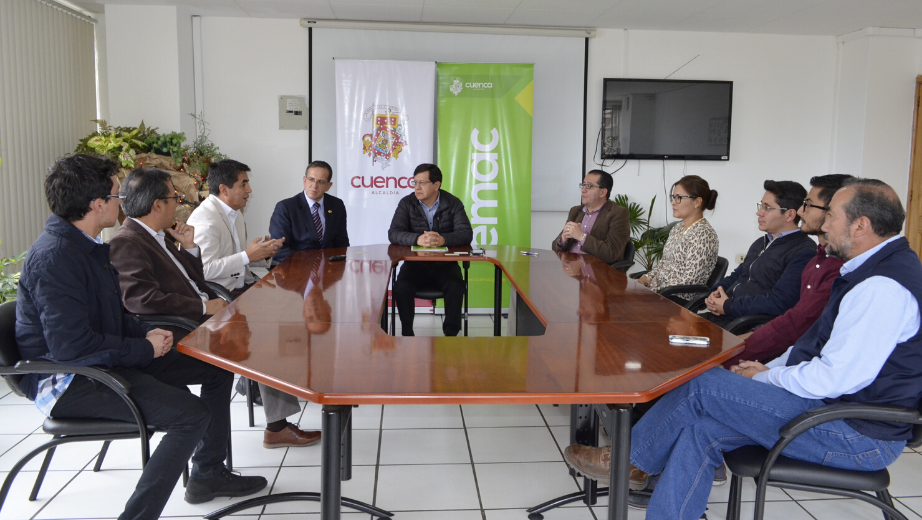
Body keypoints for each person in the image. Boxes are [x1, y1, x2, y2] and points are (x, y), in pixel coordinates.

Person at [563, 178, 922, 520]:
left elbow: (834, 377)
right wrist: (768, 372)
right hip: (834, 411)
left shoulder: (881, 287)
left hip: (855, 435)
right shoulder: (867, 271)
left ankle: (628, 461)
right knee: (700, 428)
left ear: (860, 226)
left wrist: (767, 379)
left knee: (701, 384)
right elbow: (812, 346)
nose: (823, 224)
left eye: (830, 216)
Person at [14, 155, 266, 519]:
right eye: (117, 197)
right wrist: (141, 347)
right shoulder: (56, 258)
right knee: (189, 415)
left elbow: (115, 316)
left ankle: (208, 474)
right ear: (97, 205)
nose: (123, 207)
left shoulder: (84, 246)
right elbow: (71, 348)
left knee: (216, 366)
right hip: (71, 380)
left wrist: (148, 334)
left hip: (98, 360)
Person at [186, 159, 321, 449]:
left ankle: (258, 386)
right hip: (219, 299)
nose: (249, 190)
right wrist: (249, 256)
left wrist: (261, 257)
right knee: (272, 336)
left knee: (293, 308)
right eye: (243, 184)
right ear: (224, 189)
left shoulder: (232, 213)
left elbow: (239, 265)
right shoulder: (205, 219)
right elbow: (204, 271)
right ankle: (276, 426)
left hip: (239, 287)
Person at [723, 174, 852, 367]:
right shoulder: (816, 259)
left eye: (808, 204)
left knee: (694, 383)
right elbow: (795, 328)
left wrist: (732, 354)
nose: (801, 211)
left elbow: (792, 324)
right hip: (778, 356)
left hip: (788, 361)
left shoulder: (830, 264)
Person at [108, 168, 227, 336]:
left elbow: (194, 283)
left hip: (209, 315)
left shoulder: (156, 234)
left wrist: (188, 247)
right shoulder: (125, 242)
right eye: (175, 198)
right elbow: (143, 299)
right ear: (157, 205)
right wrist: (203, 307)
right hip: (188, 327)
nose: (177, 204)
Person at [703, 180, 816, 328]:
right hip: (724, 316)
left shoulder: (803, 251)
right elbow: (738, 274)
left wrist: (728, 306)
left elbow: (779, 302)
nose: (759, 212)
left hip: (743, 325)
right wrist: (714, 293)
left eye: (767, 208)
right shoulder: (760, 242)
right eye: (761, 206)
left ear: (789, 215)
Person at [388, 163, 473, 337]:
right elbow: (394, 233)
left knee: (456, 286)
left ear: (436, 185)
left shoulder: (453, 203)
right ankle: (407, 333)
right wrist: (417, 239)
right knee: (402, 286)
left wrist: (443, 239)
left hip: (445, 265)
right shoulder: (407, 203)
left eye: (422, 183)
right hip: (415, 265)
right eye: (414, 182)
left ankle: (450, 335)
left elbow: (466, 234)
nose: (417, 187)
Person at [637, 175, 719, 300]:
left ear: (697, 202)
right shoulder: (678, 227)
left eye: (679, 198)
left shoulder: (704, 234)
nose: (673, 202)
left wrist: (653, 289)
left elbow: (689, 282)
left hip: (676, 299)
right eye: (673, 197)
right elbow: (663, 264)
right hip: (660, 291)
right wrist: (646, 278)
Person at [269, 160, 349, 264]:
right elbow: (279, 249)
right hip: (297, 271)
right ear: (304, 180)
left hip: (330, 270)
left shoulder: (336, 205)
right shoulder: (286, 208)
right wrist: (309, 264)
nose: (314, 186)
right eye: (311, 179)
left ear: (328, 186)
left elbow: (342, 243)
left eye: (320, 182)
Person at [551, 169, 630, 265]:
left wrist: (581, 236)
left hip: (597, 272)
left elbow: (611, 253)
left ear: (603, 192)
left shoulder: (618, 213)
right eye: (583, 185)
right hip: (570, 267)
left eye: (589, 186)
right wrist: (563, 240)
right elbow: (555, 247)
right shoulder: (575, 211)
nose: (583, 190)